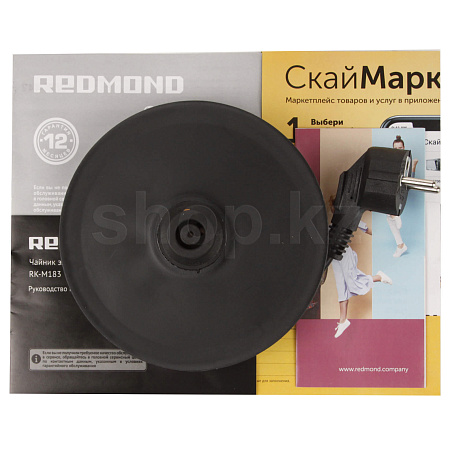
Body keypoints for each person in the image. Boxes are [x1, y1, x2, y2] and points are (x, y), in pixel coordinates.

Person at [329, 197, 392, 338]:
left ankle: (379, 277)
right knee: (341, 287)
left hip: (344, 252)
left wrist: (382, 237)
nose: (334, 210)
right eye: (333, 207)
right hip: (333, 256)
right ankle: (343, 321)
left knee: (352, 283)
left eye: (336, 207)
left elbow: (366, 229)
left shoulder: (350, 218)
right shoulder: (331, 224)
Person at [387, 135, 418, 257]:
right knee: (388, 218)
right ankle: (400, 245)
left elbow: (410, 181)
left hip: (401, 189)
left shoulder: (407, 160)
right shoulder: (392, 161)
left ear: (404, 148)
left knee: (390, 213)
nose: (398, 150)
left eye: (400, 148)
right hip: (392, 188)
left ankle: (395, 214)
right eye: (395, 148)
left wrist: (413, 167)